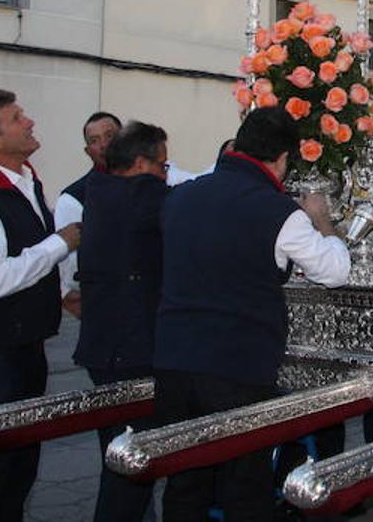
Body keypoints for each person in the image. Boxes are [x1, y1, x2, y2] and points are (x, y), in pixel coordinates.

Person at [153, 107, 349, 522]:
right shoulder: (279, 211)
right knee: (245, 482)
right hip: (237, 365)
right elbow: (334, 272)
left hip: (174, 358)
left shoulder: (180, 196)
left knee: (185, 479)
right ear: (281, 159)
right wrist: (323, 222)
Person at [0, 89, 81, 522]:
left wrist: (63, 291)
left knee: (22, 459)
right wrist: (57, 245)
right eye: (16, 117)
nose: (29, 122)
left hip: (26, 342)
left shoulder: (26, 183)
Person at [72, 122, 170, 522]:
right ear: (141, 163)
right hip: (130, 348)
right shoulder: (140, 195)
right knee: (130, 465)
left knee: (125, 459)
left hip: (109, 345)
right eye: (163, 166)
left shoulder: (99, 192)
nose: (166, 175)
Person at [54, 112, 122, 320]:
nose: (103, 145)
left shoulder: (151, 182)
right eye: (95, 140)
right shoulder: (73, 198)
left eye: (110, 136)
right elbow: (69, 265)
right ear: (87, 150)